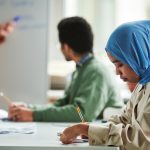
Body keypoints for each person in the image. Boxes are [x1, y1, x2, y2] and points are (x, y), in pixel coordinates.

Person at [8, 16, 123, 122]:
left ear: (66, 47)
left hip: (103, 140)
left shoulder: (96, 71)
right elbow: (62, 104)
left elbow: (82, 114)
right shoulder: (81, 69)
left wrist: (33, 115)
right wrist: (28, 108)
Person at [60, 20, 150, 150]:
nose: (116, 72)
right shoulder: (143, 84)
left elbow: (142, 141)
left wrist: (85, 129)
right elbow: (125, 120)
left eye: (120, 64)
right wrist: (91, 130)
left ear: (138, 55)